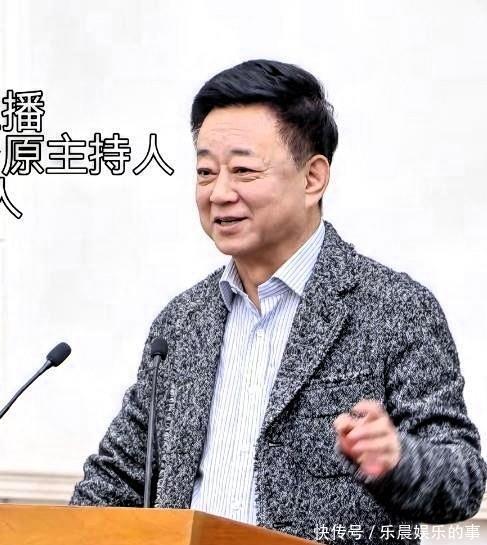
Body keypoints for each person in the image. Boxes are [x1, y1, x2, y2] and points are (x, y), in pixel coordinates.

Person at [70, 59, 487, 544]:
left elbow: (463, 481)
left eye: (243, 170)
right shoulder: (182, 322)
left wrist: (399, 460)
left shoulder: (394, 308)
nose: (219, 193)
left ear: (313, 178)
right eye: (205, 172)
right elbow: (118, 475)